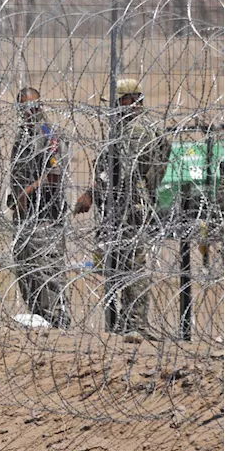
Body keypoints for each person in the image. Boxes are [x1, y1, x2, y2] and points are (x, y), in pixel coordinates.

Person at [75, 78, 171, 340]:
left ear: (129, 100)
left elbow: (124, 173)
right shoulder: (133, 127)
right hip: (126, 205)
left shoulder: (134, 130)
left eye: (117, 102)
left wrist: (95, 194)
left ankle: (135, 323)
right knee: (121, 264)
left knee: (132, 266)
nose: (113, 108)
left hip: (128, 207)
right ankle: (127, 322)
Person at [8, 87, 71, 329]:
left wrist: (29, 190)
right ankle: (40, 322)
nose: (29, 112)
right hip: (26, 218)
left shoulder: (47, 134)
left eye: (33, 107)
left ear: (40, 106)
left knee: (48, 273)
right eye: (24, 108)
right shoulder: (23, 135)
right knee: (26, 274)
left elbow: (55, 174)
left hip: (46, 216)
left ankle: (57, 323)